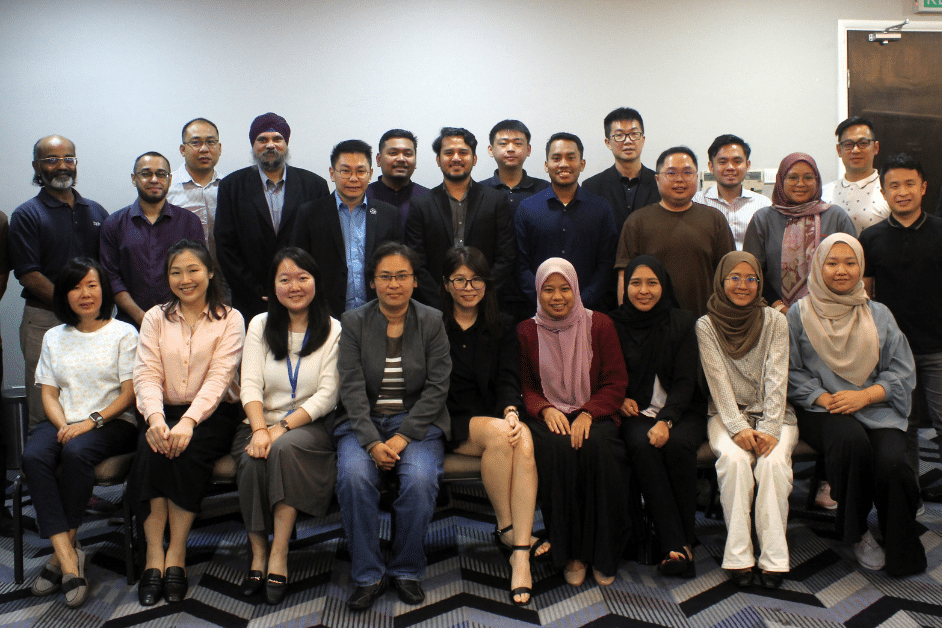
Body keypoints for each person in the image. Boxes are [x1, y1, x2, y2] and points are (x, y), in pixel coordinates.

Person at [787, 234, 926, 577]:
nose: (841, 271)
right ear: (818, 267)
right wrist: (825, 398)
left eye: (850, 263)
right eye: (832, 263)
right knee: (851, 443)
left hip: (874, 404)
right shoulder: (799, 313)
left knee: (893, 463)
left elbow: (902, 370)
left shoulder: (879, 314)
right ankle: (858, 531)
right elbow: (788, 369)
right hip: (822, 408)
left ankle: (900, 538)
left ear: (861, 267)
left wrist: (864, 396)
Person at [334, 242, 450, 611]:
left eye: (402, 276)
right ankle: (368, 574)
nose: (394, 284)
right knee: (354, 477)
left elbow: (436, 389)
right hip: (363, 421)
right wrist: (371, 443)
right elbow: (350, 387)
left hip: (416, 422)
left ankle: (406, 569)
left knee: (419, 479)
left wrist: (401, 437)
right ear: (372, 283)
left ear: (415, 282)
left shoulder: (431, 320)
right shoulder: (353, 322)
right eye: (385, 277)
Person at [130, 240, 245, 606]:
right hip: (161, 410)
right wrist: (155, 418)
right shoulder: (154, 318)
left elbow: (220, 377)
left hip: (213, 414)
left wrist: (190, 421)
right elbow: (146, 374)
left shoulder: (230, 318)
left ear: (210, 272)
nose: (185, 279)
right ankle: (153, 557)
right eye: (176, 272)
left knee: (188, 452)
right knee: (150, 453)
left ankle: (176, 554)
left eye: (193, 270)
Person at [21, 258, 138, 607]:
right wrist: (64, 426)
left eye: (91, 285)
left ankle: (59, 560)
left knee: (76, 453)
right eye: (74, 287)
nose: (84, 293)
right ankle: (70, 557)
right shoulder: (55, 336)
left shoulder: (123, 332)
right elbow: (49, 393)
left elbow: (129, 394)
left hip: (113, 423)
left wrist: (90, 422)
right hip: (63, 422)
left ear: (104, 289)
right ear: (64, 295)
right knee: (33, 455)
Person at [233, 247, 341, 605]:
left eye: (302, 278)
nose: (294, 286)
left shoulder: (333, 329)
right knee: (251, 459)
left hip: (310, 425)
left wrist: (279, 429)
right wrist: (261, 427)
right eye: (285, 279)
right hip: (258, 419)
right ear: (273, 286)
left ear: (315, 282)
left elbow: (328, 395)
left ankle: (279, 552)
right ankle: (258, 552)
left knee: (283, 448)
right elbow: (249, 383)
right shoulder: (260, 325)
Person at [440, 246, 544, 605]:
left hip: (492, 418)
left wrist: (511, 410)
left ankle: (516, 547)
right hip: (449, 420)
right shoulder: (433, 325)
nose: (468, 287)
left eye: (476, 280)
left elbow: (507, 379)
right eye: (460, 280)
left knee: (521, 437)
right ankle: (513, 537)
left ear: (487, 283)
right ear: (447, 284)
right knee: (506, 436)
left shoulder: (502, 325)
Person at [518, 258, 630, 588]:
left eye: (565, 288)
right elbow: (524, 384)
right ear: (538, 292)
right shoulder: (526, 330)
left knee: (601, 450)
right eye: (548, 289)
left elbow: (615, 381)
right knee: (557, 450)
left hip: (592, 411)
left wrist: (588, 412)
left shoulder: (600, 325)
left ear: (576, 289)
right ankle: (571, 555)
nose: (557, 297)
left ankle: (605, 553)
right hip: (548, 415)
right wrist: (542, 409)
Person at [697, 251, 797, 590]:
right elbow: (718, 383)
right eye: (734, 278)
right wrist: (738, 428)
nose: (743, 285)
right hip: (725, 416)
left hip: (776, 414)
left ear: (759, 282)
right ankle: (739, 555)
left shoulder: (775, 321)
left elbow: (777, 376)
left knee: (773, 463)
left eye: (751, 278)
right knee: (735, 460)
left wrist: (769, 428)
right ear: (721, 281)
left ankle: (774, 558)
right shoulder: (706, 325)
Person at [609, 256, 706, 577]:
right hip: (635, 410)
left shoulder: (681, 321)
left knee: (678, 446)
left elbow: (685, 381)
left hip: (682, 409)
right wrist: (619, 398)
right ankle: (676, 544)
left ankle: (681, 538)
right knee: (642, 445)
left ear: (663, 286)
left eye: (652, 283)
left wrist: (667, 420)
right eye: (635, 283)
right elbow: (604, 374)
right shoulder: (613, 324)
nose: (643, 290)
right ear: (625, 287)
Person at [9, 135, 108, 428]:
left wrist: (89, 311)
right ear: (37, 167)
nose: (61, 166)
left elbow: (106, 268)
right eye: (51, 160)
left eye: (69, 159)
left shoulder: (96, 212)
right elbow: (28, 273)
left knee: (93, 398)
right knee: (44, 409)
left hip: (92, 323)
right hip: (44, 320)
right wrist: (73, 305)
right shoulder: (26, 214)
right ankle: (41, 471)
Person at [861, 154, 942, 503]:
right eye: (894, 185)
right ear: (883, 191)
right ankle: (910, 497)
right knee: (904, 427)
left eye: (910, 183)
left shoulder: (940, 230)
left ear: (923, 188)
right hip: (894, 353)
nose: (902, 191)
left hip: (939, 347)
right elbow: (865, 296)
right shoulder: (870, 237)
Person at [215, 112, 329, 320]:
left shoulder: (315, 185)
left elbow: (323, 244)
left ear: (286, 143)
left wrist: (302, 286)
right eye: (262, 139)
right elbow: (225, 246)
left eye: (277, 139)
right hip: (250, 300)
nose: (270, 145)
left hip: (302, 297)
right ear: (253, 145)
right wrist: (256, 290)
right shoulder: (231, 187)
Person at [615, 147, 735, 317]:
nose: (680, 180)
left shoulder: (715, 219)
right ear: (657, 179)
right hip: (652, 324)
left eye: (687, 173)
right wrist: (626, 320)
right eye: (671, 173)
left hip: (706, 321)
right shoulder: (637, 222)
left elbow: (728, 273)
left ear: (697, 177)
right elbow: (624, 276)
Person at [405, 127, 515, 310]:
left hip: (486, 307)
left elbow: (506, 256)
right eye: (448, 153)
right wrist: (440, 302)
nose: (456, 158)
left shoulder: (496, 200)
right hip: (436, 309)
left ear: (474, 159)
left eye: (463, 152)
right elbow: (416, 263)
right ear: (438, 160)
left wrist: (482, 295)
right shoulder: (421, 205)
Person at [292, 139, 402, 317]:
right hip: (325, 315)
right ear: (332, 173)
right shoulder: (309, 213)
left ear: (370, 173)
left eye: (360, 171)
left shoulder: (388, 215)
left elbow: (398, 265)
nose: (353, 178)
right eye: (345, 171)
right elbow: (298, 267)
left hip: (378, 313)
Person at [100, 151, 205, 326]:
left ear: (170, 179)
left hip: (182, 321)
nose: (154, 179)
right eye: (146, 174)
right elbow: (111, 278)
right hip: (130, 325)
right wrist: (142, 317)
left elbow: (197, 272)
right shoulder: (113, 224)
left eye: (161, 174)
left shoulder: (189, 222)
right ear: (134, 178)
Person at [743, 153, 856, 315]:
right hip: (773, 314)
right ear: (781, 180)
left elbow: (854, 268)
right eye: (793, 177)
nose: (800, 184)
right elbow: (753, 271)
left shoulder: (836, 217)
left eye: (808, 178)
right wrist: (780, 308)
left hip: (831, 313)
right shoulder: (763, 220)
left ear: (817, 181)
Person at [516, 133, 617, 312]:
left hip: (588, 310)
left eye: (571, 158)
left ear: (582, 164)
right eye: (556, 158)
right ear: (547, 166)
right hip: (538, 312)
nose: (563, 164)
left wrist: (581, 302)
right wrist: (544, 300)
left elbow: (607, 264)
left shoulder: (600, 209)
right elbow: (520, 265)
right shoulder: (527, 208)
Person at [583, 107, 660, 233]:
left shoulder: (660, 182)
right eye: (619, 135)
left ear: (643, 140)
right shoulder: (591, 187)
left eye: (634, 134)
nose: (628, 141)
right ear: (608, 143)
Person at [692, 134, 772, 250]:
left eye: (737, 161)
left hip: (751, 266)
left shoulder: (763, 205)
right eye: (723, 162)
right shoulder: (696, 202)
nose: (730, 167)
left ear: (747, 165)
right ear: (711, 167)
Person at [821, 117, 890, 235]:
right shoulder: (823, 193)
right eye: (848, 144)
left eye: (863, 143)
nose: (855, 150)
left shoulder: (889, 192)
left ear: (876, 147)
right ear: (839, 150)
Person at [481, 119, 550, 213]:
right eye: (503, 144)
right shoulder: (478, 190)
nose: (510, 149)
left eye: (518, 144)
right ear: (491, 150)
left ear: (528, 150)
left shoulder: (545, 189)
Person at [365, 129, 428, 229]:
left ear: (415, 161)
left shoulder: (428, 199)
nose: (401, 159)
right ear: (378, 160)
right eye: (393, 153)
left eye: (408, 154)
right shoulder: (363, 197)